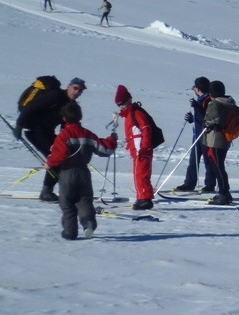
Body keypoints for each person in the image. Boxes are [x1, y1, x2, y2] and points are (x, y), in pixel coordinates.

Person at [45, 102, 117, 240]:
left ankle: (70, 232)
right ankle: (88, 223)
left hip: (67, 173)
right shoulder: (87, 135)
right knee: (85, 201)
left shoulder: (64, 135)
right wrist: (112, 139)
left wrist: (49, 163)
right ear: (80, 117)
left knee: (67, 204)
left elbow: (60, 154)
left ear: (64, 119)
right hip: (84, 173)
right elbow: (105, 149)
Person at [13, 77, 87, 201]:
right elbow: (31, 108)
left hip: (47, 132)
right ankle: (46, 192)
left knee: (64, 157)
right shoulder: (55, 95)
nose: (77, 92)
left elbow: (66, 126)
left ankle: (61, 190)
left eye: (80, 90)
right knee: (56, 158)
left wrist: (67, 142)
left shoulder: (71, 105)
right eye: (75, 88)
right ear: (68, 86)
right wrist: (19, 126)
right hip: (34, 131)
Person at [115, 85, 156, 210]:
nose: (121, 106)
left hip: (142, 151)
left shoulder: (136, 113)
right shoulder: (129, 115)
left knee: (141, 175)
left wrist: (145, 147)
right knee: (138, 174)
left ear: (129, 100)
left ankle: (145, 199)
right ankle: (142, 197)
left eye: (123, 103)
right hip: (137, 151)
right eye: (119, 104)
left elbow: (146, 129)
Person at [174, 76, 216, 193]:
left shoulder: (208, 100)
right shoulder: (201, 99)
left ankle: (210, 185)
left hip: (206, 135)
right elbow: (200, 118)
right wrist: (191, 119)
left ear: (198, 89)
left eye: (195, 88)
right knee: (193, 159)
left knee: (208, 161)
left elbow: (208, 118)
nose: (194, 90)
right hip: (198, 133)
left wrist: (197, 108)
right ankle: (189, 183)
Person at [203, 80, 239, 205]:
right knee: (219, 165)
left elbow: (211, 120)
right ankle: (224, 193)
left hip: (215, 139)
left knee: (217, 166)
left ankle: (224, 193)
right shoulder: (230, 102)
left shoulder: (214, 103)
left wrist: (208, 123)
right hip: (226, 138)